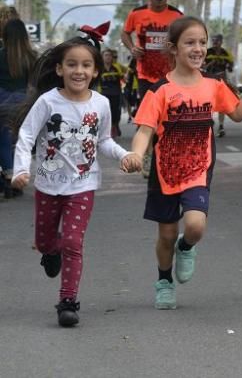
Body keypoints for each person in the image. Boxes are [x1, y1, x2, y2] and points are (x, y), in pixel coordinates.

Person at [131, 16, 242, 310]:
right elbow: (144, 131)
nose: (198, 48)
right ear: (173, 48)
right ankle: (164, 281)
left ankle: (186, 246)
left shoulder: (213, 85)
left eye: (202, 42)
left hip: (197, 169)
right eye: (190, 42)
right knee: (166, 234)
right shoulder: (159, 90)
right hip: (165, 172)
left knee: (195, 227)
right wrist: (137, 155)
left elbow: (238, 114)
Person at [10, 32, 143, 327]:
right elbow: (27, 136)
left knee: (73, 241)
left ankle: (68, 301)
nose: (78, 71)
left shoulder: (101, 104)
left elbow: (104, 141)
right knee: (45, 241)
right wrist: (21, 170)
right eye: (71, 64)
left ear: (96, 71)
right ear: (60, 69)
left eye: (85, 65)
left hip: (83, 186)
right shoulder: (47, 102)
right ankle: (50, 251)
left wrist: (124, 155)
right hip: (47, 184)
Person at [121, 0, 183, 175]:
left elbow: (184, 38)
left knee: (169, 118)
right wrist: (133, 48)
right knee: (146, 118)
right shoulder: (137, 14)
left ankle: (165, 156)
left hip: (170, 76)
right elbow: (125, 33)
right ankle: (147, 156)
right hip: (145, 75)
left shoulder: (176, 15)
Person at [0, 18, 38, 197]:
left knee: (3, 141)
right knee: (19, 141)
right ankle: (17, 176)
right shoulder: (31, 57)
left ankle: (8, 177)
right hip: (23, 102)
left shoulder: (0, 54)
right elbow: (34, 84)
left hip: (2, 100)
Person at [204, 34, 235, 137]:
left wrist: (229, 65)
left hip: (222, 81)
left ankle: (221, 126)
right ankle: (210, 123)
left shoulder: (226, 53)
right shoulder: (207, 52)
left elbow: (231, 68)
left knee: (222, 105)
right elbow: (201, 66)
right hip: (209, 81)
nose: (215, 42)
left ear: (221, 42)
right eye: (213, 41)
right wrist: (211, 63)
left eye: (217, 41)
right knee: (209, 103)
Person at [99, 48, 127, 138]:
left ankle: (115, 125)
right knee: (105, 112)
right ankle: (108, 130)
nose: (108, 57)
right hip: (103, 93)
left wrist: (125, 78)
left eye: (109, 55)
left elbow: (126, 73)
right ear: (102, 57)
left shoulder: (117, 67)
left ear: (112, 57)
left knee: (116, 112)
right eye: (106, 55)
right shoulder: (99, 68)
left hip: (116, 93)